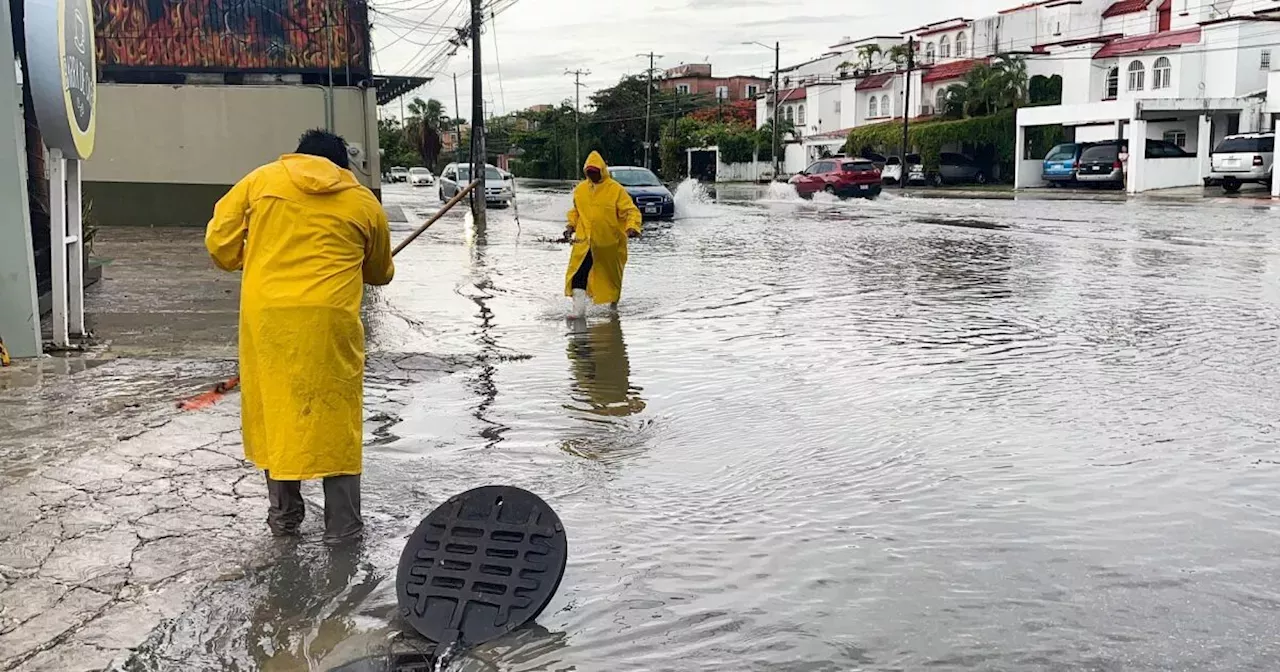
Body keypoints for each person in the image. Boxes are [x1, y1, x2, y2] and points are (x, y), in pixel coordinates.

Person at [205, 129, 394, 545]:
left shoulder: (260, 182)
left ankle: (284, 521)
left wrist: (252, 257)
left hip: (268, 322)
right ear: (344, 166)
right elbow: (380, 273)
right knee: (335, 420)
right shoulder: (363, 202)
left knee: (277, 411)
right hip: (330, 325)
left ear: (296, 156)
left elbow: (220, 246)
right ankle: (343, 529)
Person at [565, 151, 642, 318]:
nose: (592, 176)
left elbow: (630, 211)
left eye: (595, 172)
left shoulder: (615, 190)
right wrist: (570, 226)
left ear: (602, 171)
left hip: (609, 244)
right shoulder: (580, 190)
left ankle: (613, 306)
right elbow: (576, 211)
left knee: (611, 277)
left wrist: (632, 227)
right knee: (578, 273)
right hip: (585, 242)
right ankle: (578, 312)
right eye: (589, 173)